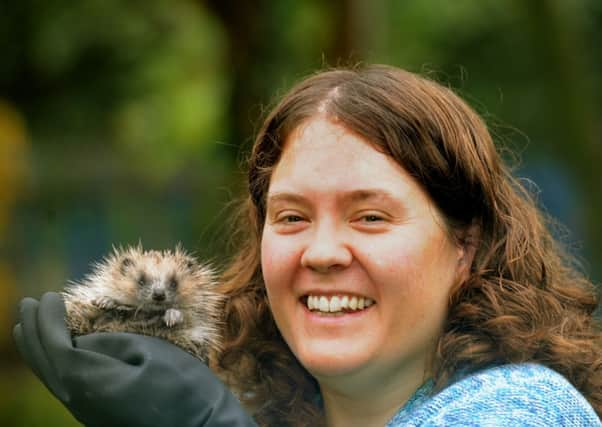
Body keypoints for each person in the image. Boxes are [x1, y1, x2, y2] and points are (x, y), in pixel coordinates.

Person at [14, 65, 602, 426]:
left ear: (464, 247)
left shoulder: (523, 409)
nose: (321, 252)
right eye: (292, 216)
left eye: (369, 217)